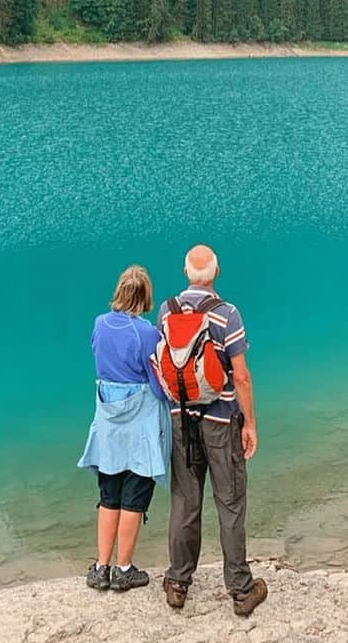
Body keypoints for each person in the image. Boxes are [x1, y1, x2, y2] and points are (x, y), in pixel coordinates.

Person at [160, 244, 267, 617]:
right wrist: (249, 422)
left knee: (185, 501)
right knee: (231, 502)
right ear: (216, 273)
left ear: (185, 271)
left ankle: (177, 582)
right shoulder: (227, 314)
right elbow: (241, 376)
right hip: (221, 422)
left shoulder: (166, 310)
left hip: (181, 419)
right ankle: (240, 589)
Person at [78, 264, 170, 592]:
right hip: (140, 425)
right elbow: (157, 383)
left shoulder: (99, 324)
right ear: (145, 297)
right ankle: (124, 568)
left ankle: (100, 567)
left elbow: (99, 357)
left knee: (109, 494)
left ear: (119, 291)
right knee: (135, 493)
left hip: (107, 421)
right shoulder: (148, 333)